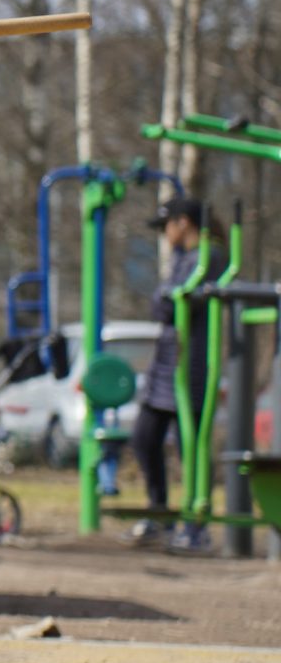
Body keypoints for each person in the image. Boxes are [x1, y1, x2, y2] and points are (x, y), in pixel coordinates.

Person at [128, 196, 225, 552]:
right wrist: (167, 299)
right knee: (144, 438)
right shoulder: (183, 259)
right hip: (166, 366)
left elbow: (175, 303)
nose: (165, 233)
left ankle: (197, 524)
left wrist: (169, 299)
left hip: (194, 367)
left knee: (192, 450)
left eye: (167, 225)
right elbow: (162, 305)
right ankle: (161, 514)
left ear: (183, 222)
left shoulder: (209, 256)